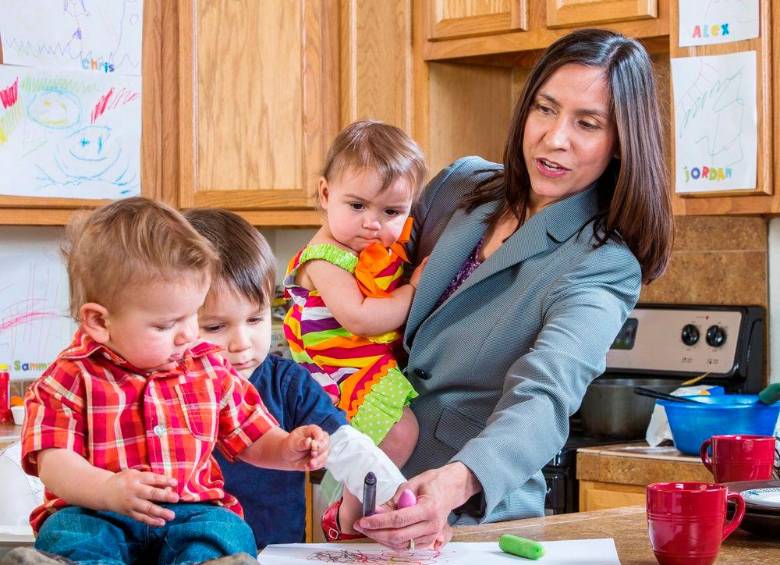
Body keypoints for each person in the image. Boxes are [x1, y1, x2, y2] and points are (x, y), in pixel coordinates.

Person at [352, 28, 674, 550]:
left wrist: (458, 480)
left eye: (586, 123)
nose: (554, 138)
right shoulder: (460, 187)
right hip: (360, 481)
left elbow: (545, 396)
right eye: (545, 109)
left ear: (619, 145)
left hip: (468, 519)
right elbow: (365, 262)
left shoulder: (603, 264)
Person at [17, 198, 330, 565]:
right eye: (166, 325)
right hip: (96, 510)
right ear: (100, 322)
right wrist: (107, 490)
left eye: (191, 318)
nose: (186, 335)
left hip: (191, 511)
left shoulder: (208, 367)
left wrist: (286, 448)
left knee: (225, 531)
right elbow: (53, 461)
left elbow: (251, 435)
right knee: (71, 533)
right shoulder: (69, 377)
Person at [283, 119, 427, 538]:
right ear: (326, 194)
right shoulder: (325, 258)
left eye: (391, 212)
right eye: (358, 206)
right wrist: (413, 290)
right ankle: (347, 516)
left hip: (364, 367)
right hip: (337, 376)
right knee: (400, 432)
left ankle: (357, 511)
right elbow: (360, 318)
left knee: (399, 434)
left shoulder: (373, 251)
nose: (372, 223)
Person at [185, 208, 348, 547]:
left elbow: (344, 441)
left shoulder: (287, 383)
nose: (241, 343)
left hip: (275, 550)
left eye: (256, 319)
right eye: (215, 327)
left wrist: (320, 443)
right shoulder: (166, 389)